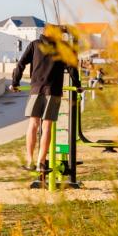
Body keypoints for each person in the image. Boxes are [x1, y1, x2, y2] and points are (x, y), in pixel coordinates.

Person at [9, 27, 81, 172]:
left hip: (36, 89)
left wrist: (15, 83)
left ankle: (30, 161)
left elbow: (21, 64)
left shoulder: (35, 45)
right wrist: (77, 85)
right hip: (53, 91)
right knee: (46, 126)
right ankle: (41, 163)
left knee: (33, 124)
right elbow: (72, 68)